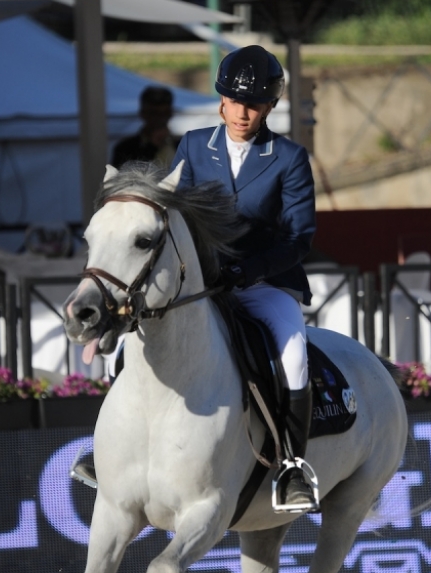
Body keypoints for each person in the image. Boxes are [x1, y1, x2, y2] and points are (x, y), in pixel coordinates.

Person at [171, 45, 318, 512]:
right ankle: (107, 452)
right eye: (234, 102)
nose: (242, 112)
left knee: (294, 355)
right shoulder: (194, 146)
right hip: (200, 286)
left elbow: (298, 239)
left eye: (254, 104)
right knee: (133, 339)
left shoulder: (289, 158)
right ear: (220, 102)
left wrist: (247, 270)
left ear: (271, 107)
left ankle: (293, 465)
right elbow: (173, 214)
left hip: (262, 285)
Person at [112, 85, 179, 171]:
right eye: (153, 113)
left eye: (164, 113)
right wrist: (151, 147)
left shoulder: (181, 146)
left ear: (170, 114)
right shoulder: (125, 148)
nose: (159, 118)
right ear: (142, 113)